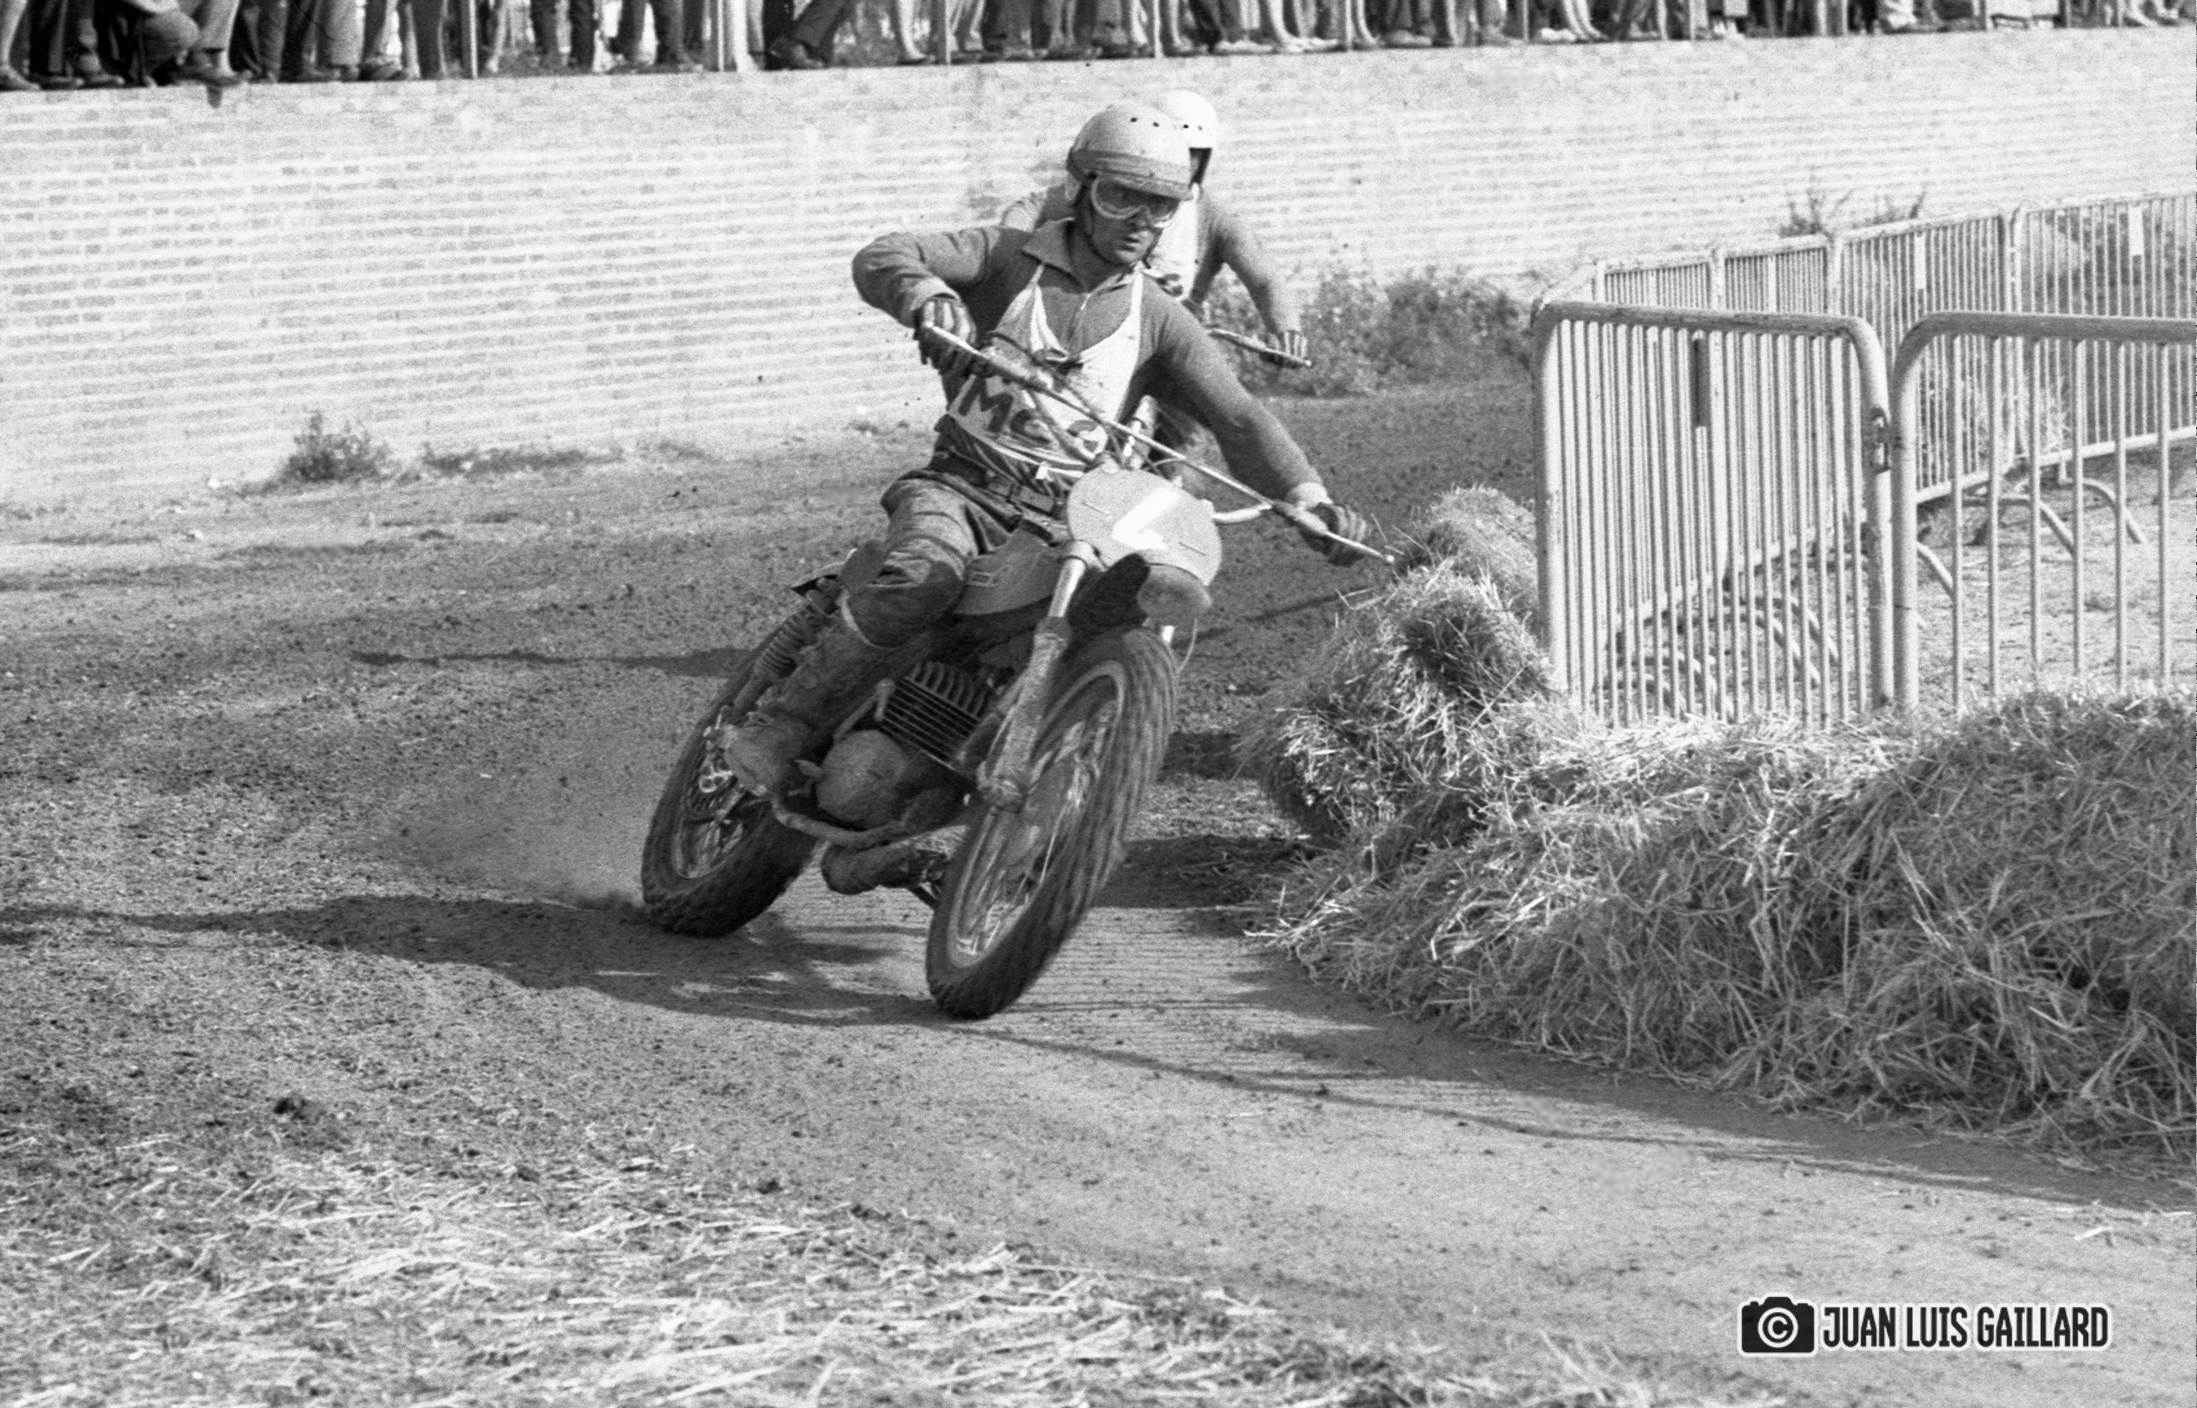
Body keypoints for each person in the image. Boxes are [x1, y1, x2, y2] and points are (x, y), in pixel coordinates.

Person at [713, 101, 1372, 795]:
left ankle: (1020, 779)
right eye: (1120, 198)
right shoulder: (1006, 258)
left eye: (1159, 207)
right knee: (923, 578)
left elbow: (1238, 416)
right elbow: (886, 254)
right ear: (1081, 188)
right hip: (961, 490)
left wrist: (1308, 499)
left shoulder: (1161, 318)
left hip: (1068, 517)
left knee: (1111, 611)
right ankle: (781, 725)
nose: (1139, 222)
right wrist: (927, 296)